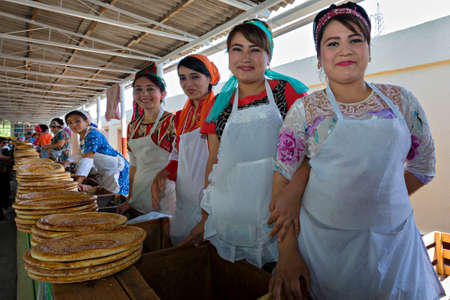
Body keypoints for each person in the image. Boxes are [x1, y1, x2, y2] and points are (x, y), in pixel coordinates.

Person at [268, 3, 445, 299]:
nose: (345, 50)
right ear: (319, 56)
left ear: (369, 49)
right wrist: (287, 254)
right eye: (333, 43)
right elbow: (282, 181)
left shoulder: (401, 101)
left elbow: (423, 167)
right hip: (325, 251)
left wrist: (381, 201)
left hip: (397, 248)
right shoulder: (306, 112)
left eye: (355, 40)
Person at [188, 20, 308, 267]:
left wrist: (292, 198)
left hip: (281, 216)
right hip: (228, 217)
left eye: (255, 49)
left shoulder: (287, 92)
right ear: (228, 56)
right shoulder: (218, 104)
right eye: (237, 49)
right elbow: (214, 161)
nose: (245, 57)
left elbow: (310, 154)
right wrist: (205, 217)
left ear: (268, 56)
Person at [152, 54, 220, 245]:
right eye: (182, 77)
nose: (188, 83)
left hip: (212, 199)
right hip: (184, 200)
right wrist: (164, 173)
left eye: (195, 76)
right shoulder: (181, 117)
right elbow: (177, 154)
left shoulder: (220, 109)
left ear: (210, 78)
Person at [123, 67, 177, 215]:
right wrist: (130, 198)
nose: (144, 94)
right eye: (138, 90)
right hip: (139, 194)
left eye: (150, 89)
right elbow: (133, 165)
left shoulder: (173, 122)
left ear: (163, 94)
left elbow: (183, 162)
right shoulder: (133, 126)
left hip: (165, 193)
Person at [65, 110, 129, 196]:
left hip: (115, 169)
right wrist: (67, 161)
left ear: (87, 121)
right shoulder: (83, 135)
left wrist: (77, 182)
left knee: (116, 196)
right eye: (70, 123)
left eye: (77, 121)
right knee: (108, 193)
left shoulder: (93, 134)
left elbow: (88, 158)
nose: (73, 125)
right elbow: (82, 153)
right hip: (106, 169)